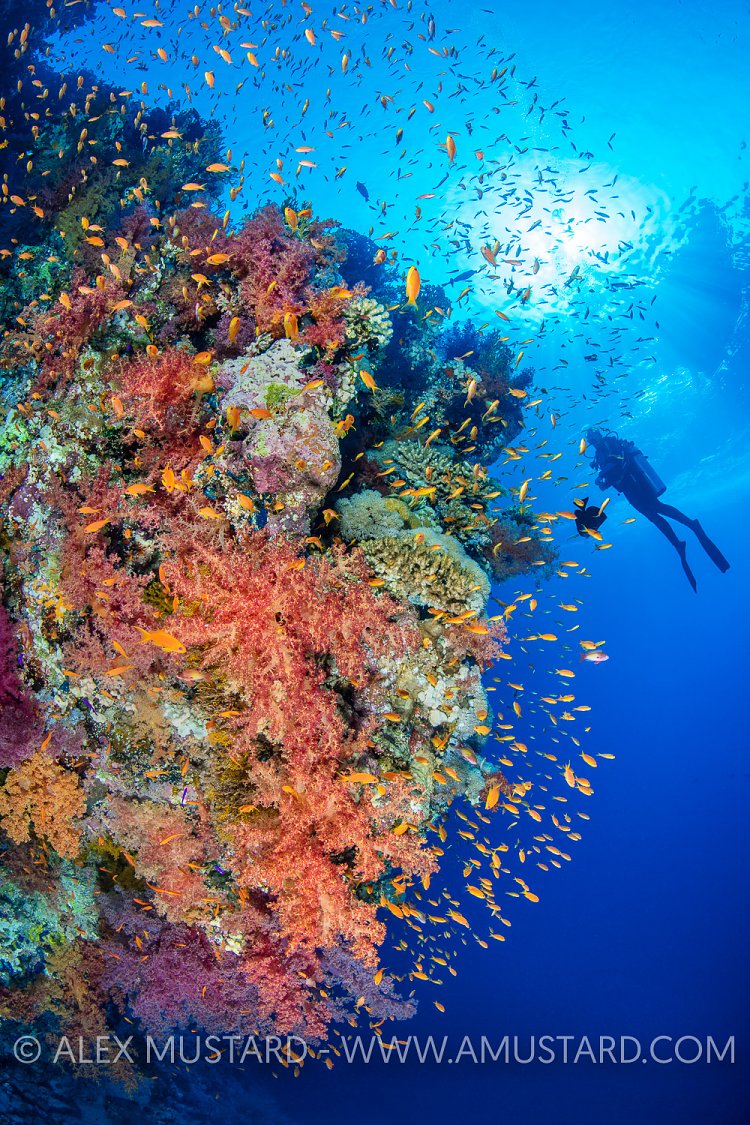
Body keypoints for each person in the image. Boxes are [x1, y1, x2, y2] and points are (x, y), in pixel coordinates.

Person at [585, 429, 730, 591]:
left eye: (594, 435)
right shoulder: (598, 456)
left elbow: (617, 459)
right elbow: (609, 478)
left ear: (599, 434)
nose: (592, 439)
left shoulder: (610, 442)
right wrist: (602, 484)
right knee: (652, 516)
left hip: (636, 481)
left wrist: (601, 476)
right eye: (590, 438)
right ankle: (677, 543)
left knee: (656, 506)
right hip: (627, 490)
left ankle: (690, 524)